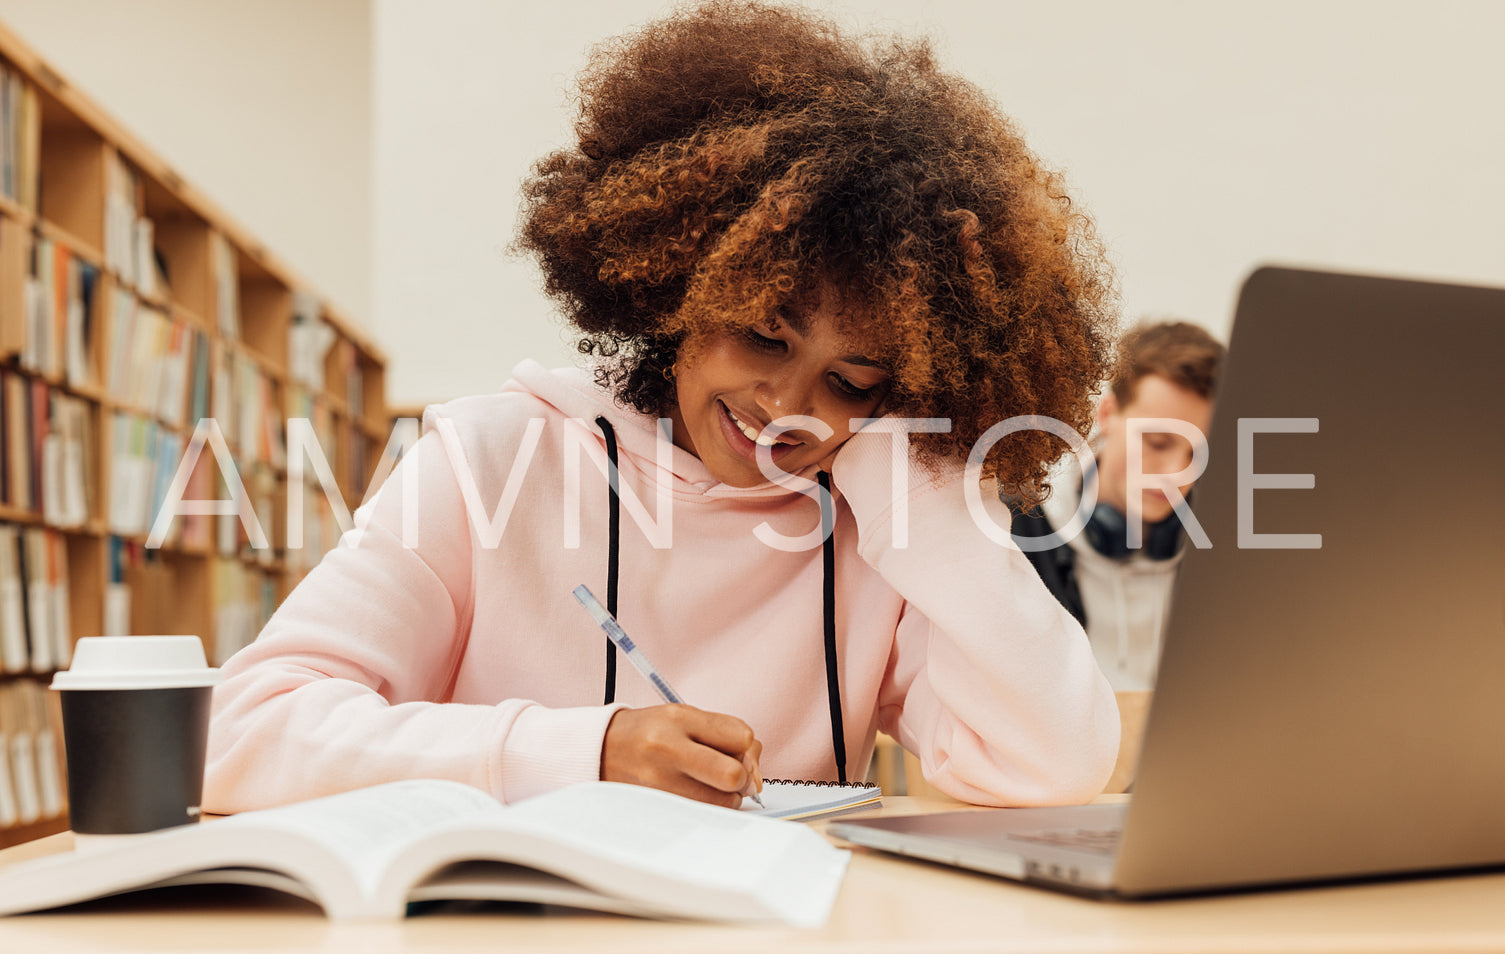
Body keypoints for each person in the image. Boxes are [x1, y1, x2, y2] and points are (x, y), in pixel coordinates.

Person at [203, 0, 1121, 814]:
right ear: (680, 287)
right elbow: (239, 735)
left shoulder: (873, 519)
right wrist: (581, 750)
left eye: (850, 379)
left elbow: (1049, 766)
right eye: (765, 333)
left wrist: (916, 484)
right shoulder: (492, 457)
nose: (785, 405)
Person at [1008, 321, 1225, 691]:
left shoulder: (1226, 544)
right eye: (1157, 442)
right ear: (1107, 415)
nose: (1176, 473)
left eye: (1197, 453)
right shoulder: (1018, 527)